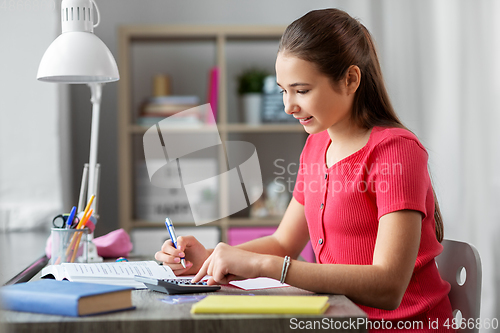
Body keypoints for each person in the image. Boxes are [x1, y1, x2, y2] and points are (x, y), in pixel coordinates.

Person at [155, 8, 453, 332]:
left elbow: (388, 285)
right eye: (284, 90)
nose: (288, 106)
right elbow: (284, 243)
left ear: (351, 79)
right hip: (341, 321)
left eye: (302, 90)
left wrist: (265, 266)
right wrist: (211, 258)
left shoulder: (396, 151)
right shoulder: (315, 147)